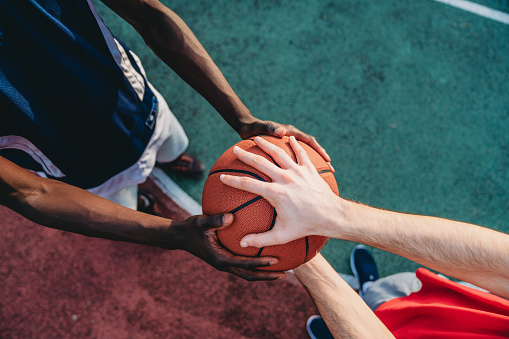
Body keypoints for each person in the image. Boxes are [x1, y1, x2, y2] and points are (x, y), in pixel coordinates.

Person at [0, 0, 331, 281]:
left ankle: (168, 158)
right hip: (67, 157)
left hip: (134, 103)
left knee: (171, 141)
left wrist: (241, 117)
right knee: (121, 204)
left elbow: (151, 16)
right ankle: (143, 200)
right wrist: (173, 234)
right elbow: (26, 191)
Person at [220, 136, 509, 337]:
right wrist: (334, 213)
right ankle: (369, 290)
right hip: (453, 307)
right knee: (396, 290)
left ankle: (348, 318)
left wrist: (295, 251)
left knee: (362, 318)